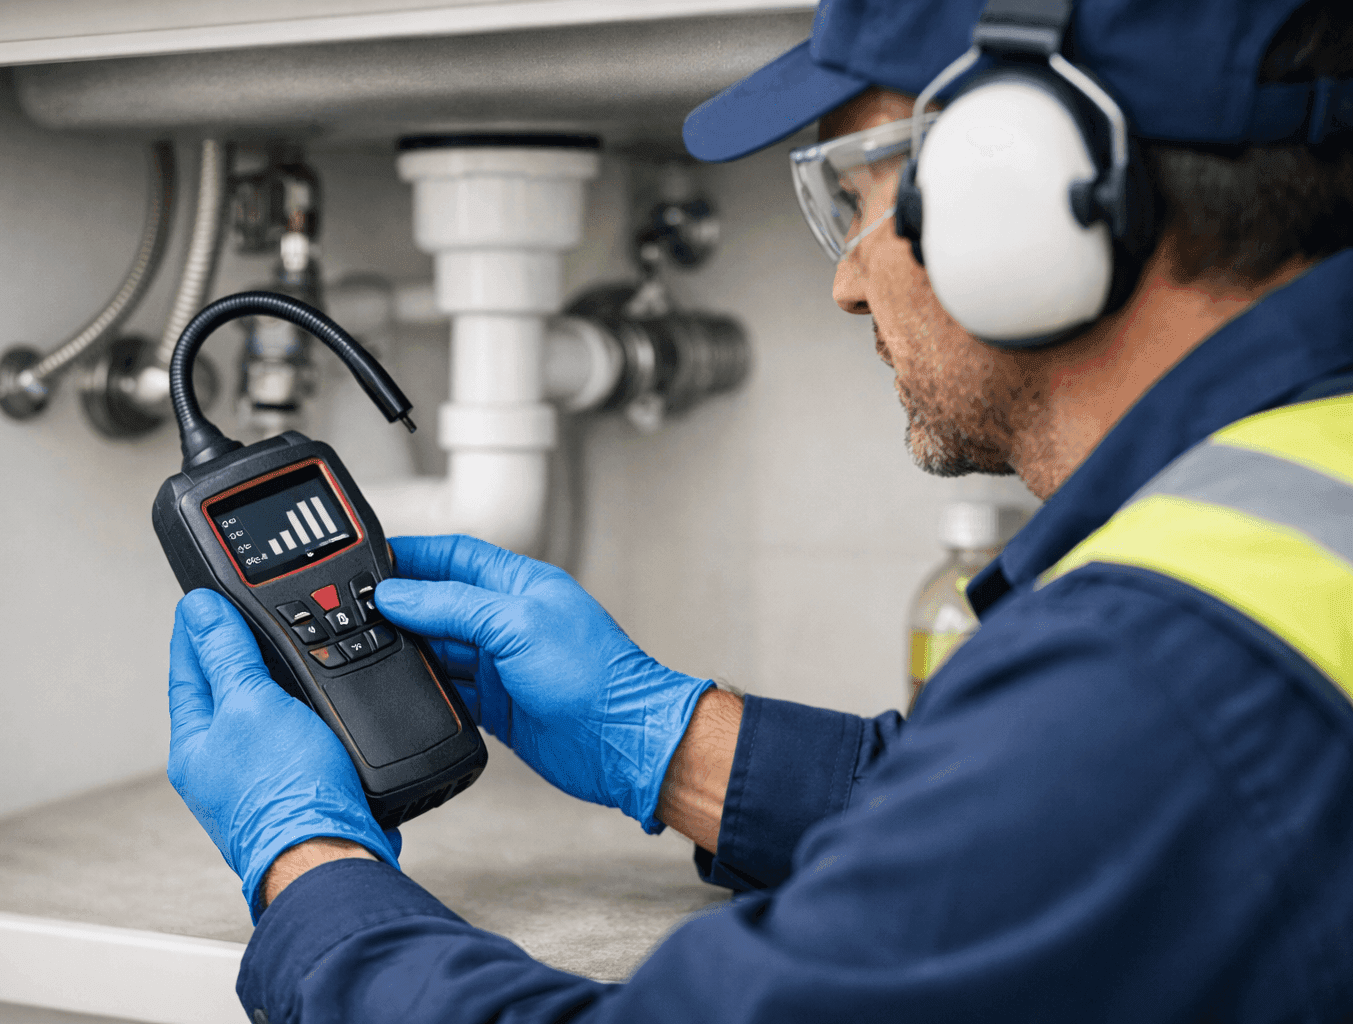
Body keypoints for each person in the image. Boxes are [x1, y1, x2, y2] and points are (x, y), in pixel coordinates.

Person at [164, 0, 1353, 1019]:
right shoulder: (1284, 524)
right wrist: (674, 738)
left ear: (1024, 184)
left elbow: (1117, 768)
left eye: (857, 193)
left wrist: (304, 868)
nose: (845, 280)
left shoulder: (1163, 670)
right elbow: (1075, 836)